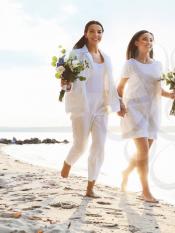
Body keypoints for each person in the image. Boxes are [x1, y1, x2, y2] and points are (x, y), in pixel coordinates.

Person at [60, 20, 124, 198]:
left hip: (102, 107)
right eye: (92, 31)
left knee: (99, 147)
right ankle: (68, 162)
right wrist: (64, 84)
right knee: (80, 145)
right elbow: (66, 81)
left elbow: (110, 84)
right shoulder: (76, 54)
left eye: (99, 32)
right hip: (82, 106)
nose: (96, 35)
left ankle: (90, 187)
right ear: (86, 33)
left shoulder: (107, 58)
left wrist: (118, 103)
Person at [117, 30, 175, 203]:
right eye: (145, 39)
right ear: (136, 42)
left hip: (153, 111)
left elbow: (158, 90)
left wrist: (171, 95)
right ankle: (145, 192)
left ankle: (126, 172)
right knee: (143, 152)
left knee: (143, 153)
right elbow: (120, 88)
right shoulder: (130, 64)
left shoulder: (157, 64)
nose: (148, 42)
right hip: (134, 110)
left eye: (151, 40)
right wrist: (119, 104)